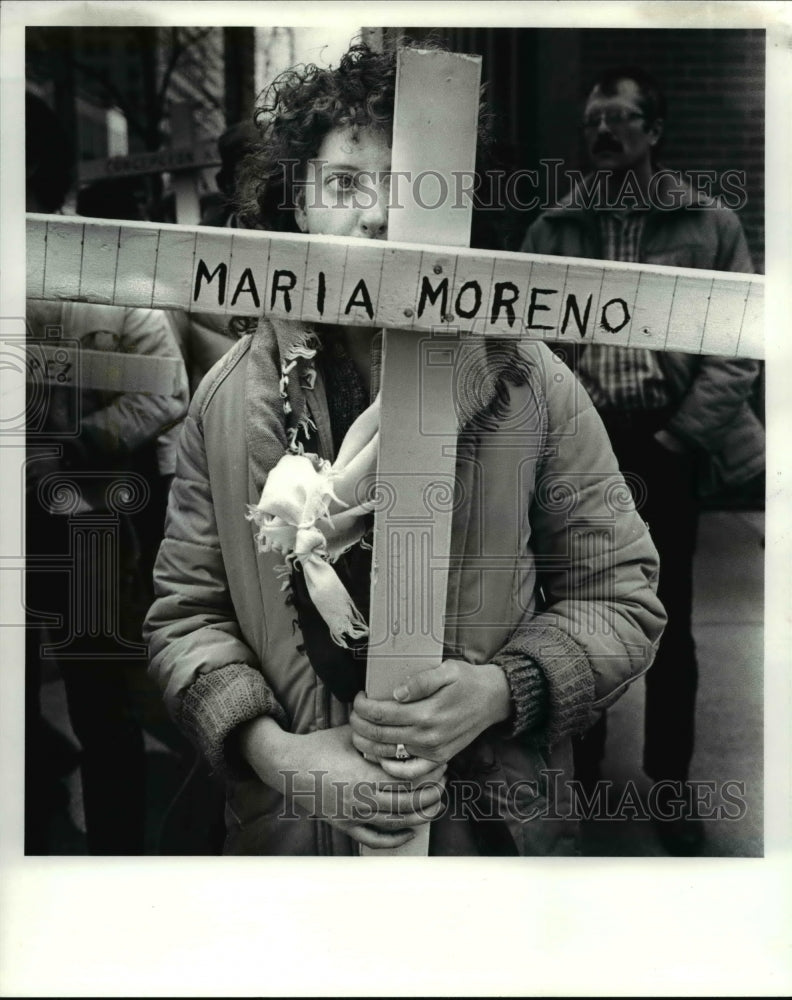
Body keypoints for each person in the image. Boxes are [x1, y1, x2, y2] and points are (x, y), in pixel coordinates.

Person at [144, 43, 665, 856]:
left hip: (490, 837)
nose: (379, 216)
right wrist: (276, 754)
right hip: (292, 843)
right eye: (346, 184)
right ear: (300, 205)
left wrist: (504, 689)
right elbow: (186, 616)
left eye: (406, 188)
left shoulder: (527, 378)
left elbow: (622, 593)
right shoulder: (226, 403)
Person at [521, 66, 764, 854]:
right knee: (574, 608)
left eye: (623, 118)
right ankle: (581, 774)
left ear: (654, 132)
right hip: (579, 448)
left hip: (666, 440)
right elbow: (523, 347)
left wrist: (680, 437)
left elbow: (738, 347)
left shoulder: (710, 223)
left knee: (673, 620)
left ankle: (668, 786)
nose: (605, 132)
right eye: (595, 119)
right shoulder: (552, 231)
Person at [25, 92, 190, 854]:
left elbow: (164, 391)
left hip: (85, 513)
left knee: (99, 697)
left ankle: (115, 858)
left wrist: (75, 444)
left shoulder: (107, 271)